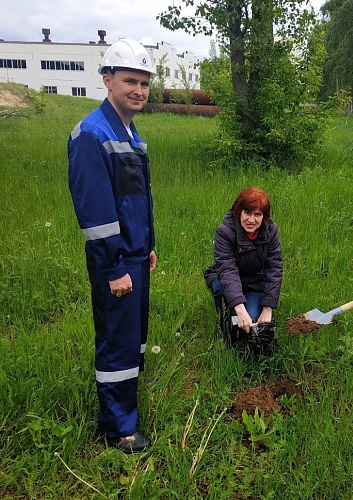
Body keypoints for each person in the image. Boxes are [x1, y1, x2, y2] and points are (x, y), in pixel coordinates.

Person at [68, 39, 157, 453]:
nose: (138, 90)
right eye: (130, 81)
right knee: (117, 342)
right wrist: (115, 266)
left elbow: (136, 200)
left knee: (133, 339)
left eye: (144, 82)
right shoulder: (92, 134)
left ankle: (125, 405)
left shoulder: (130, 133)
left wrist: (147, 246)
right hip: (116, 262)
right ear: (107, 80)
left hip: (135, 257)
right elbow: (97, 214)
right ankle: (118, 429)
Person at [204, 187, 283, 355]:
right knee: (220, 289)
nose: (251, 220)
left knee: (253, 318)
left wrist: (268, 307)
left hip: (255, 281)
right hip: (226, 278)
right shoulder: (225, 232)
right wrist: (239, 308)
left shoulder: (271, 232)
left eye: (258, 215)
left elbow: (274, 268)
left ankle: (244, 333)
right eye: (247, 213)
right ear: (238, 211)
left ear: (264, 217)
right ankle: (225, 326)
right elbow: (227, 270)